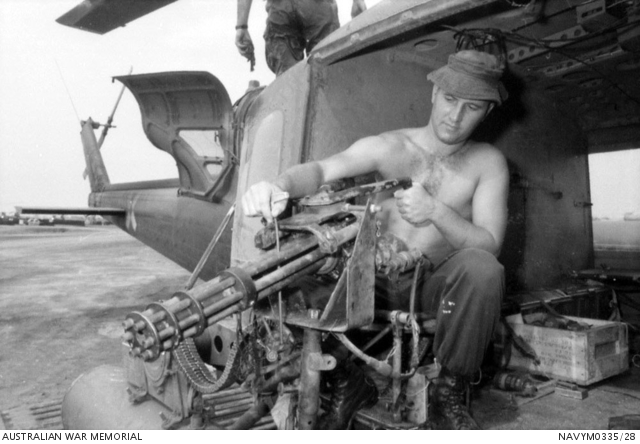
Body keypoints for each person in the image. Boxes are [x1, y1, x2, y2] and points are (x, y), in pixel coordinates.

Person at [241, 49, 509, 429]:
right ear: (433, 93)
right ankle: (347, 381)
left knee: (484, 270)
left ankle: (448, 392)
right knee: (281, 283)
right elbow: (320, 170)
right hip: (372, 281)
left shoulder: (488, 163)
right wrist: (278, 185)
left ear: (487, 112)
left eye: (472, 107)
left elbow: (490, 244)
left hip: (434, 282)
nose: (456, 115)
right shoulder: (390, 147)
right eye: (450, 99)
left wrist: (436, 212)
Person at [236, 0, 367, 76]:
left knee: (288, 81)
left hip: (281, 10)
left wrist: (241, 26)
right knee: (328, 73)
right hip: (317, 8)